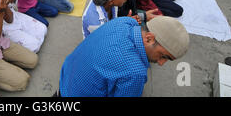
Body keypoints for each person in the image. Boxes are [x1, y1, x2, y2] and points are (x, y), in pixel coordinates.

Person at [57, 16, 189, 97]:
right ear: (149, 38)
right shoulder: (135, 72)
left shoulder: (124, 21)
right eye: (163, 56)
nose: (161, 63)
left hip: (66, 80)